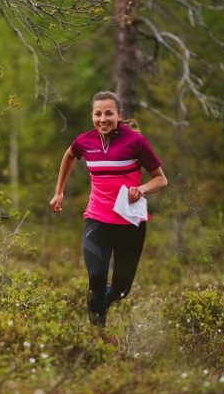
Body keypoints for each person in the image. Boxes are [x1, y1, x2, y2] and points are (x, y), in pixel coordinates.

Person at [49, 91, 167, 326]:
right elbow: (69, 155)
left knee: (121, 290)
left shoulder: (135, 142)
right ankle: (97, 336)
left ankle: (100, 302)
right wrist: (59, 191)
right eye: (98, 114)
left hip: (130, 223)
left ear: (119, 115)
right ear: (92, 116)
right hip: (97, 219)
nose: (103, 119)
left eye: (108, 113)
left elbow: (161, 179)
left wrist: (141, 189)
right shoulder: (85, 141)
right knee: (96, 276)